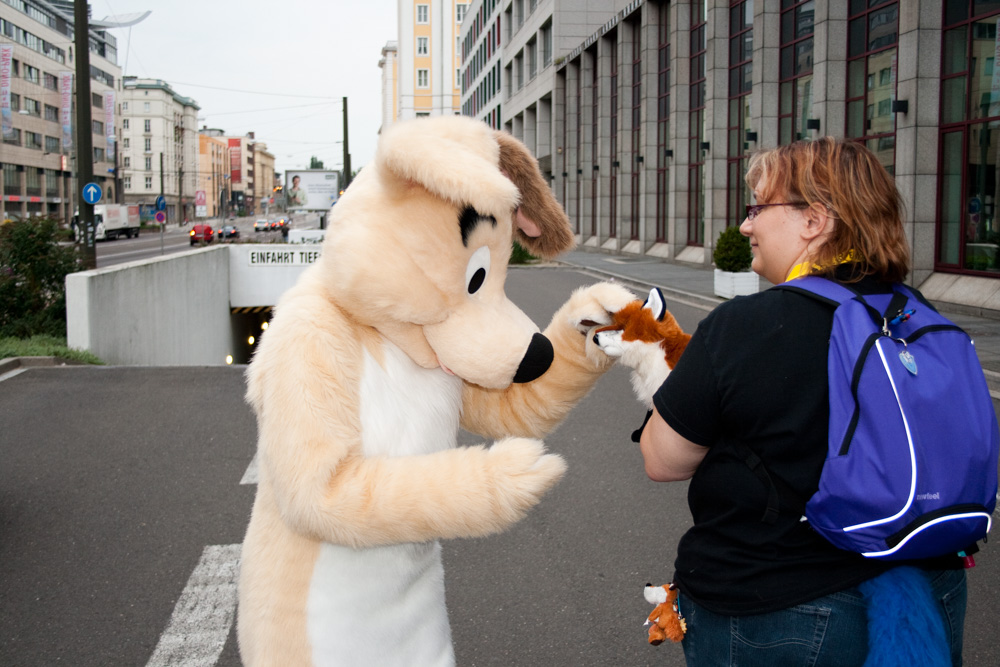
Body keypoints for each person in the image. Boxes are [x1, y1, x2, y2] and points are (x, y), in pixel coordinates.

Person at [638, 137, 967, 666]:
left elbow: (662, 459)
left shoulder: (747, 325)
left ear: (814, 220)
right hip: (930, 589)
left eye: (757, 209)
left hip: (782, 604)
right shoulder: (920, 316)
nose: (744, 226)